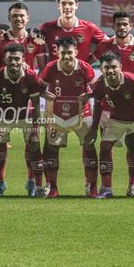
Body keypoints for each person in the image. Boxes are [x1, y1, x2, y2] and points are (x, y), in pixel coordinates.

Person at [91, 11, 134, 196]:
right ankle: (105, 187)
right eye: (119, 24)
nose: (122, 27)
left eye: (125, 24)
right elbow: (88, 62)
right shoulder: (104, 46)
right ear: (113, 26)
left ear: (130, 26)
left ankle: (133, 186)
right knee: (105, 144)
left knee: (131, 143)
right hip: (109, 103)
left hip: (132, 101)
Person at [0, 2, 47, 196]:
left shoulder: (36, 40)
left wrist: (37, 86)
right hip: (5, 98)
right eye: (15, 16)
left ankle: (32, 182)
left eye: (22, 15)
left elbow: (43, 69)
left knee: (32, 143)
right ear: (9, 18)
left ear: (27, 18)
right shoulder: (0, 40)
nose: (18, 19)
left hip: (28, 97)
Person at [85, 51, 134, 199]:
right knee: (104, 147)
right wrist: (93, 129)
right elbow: (98, 106)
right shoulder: (99, 85)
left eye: (113, 67)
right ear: (101, 69)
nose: (110, 70)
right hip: (117, 119)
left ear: (120, 67)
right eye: (106, 68)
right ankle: (106, 189)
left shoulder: (133, 80)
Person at [39, 36, 95, 198]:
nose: (67, 56)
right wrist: (44, 93)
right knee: (52, 148)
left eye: (70, 53)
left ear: (76, 52)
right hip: (56, 114)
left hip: (81, 114)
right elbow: (38, 86)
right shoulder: (50, 67)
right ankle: (53, 187)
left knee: (89, 147)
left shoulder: (85, 68)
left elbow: (96, 89)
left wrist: (89, 95)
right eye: (63, 53)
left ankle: (91, 187)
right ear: (58, 53)